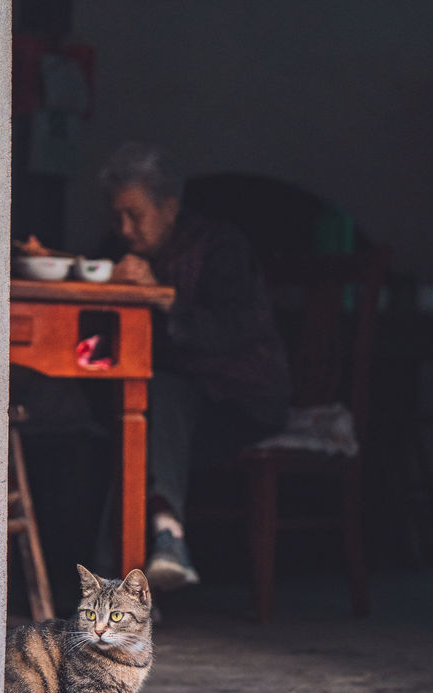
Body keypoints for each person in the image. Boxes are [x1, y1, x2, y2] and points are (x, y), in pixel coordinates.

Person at [98, 142, 291, 592]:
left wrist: (162, 296)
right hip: (171, 411)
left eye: (134, 215)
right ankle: (165, 541)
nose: (124, 229)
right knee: (135, 418)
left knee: (147, 411)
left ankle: (122, 575)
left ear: (169, 207)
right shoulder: (120, 249)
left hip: (241, 404)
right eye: (116, 217)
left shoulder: (220, 246)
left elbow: (230, 330)